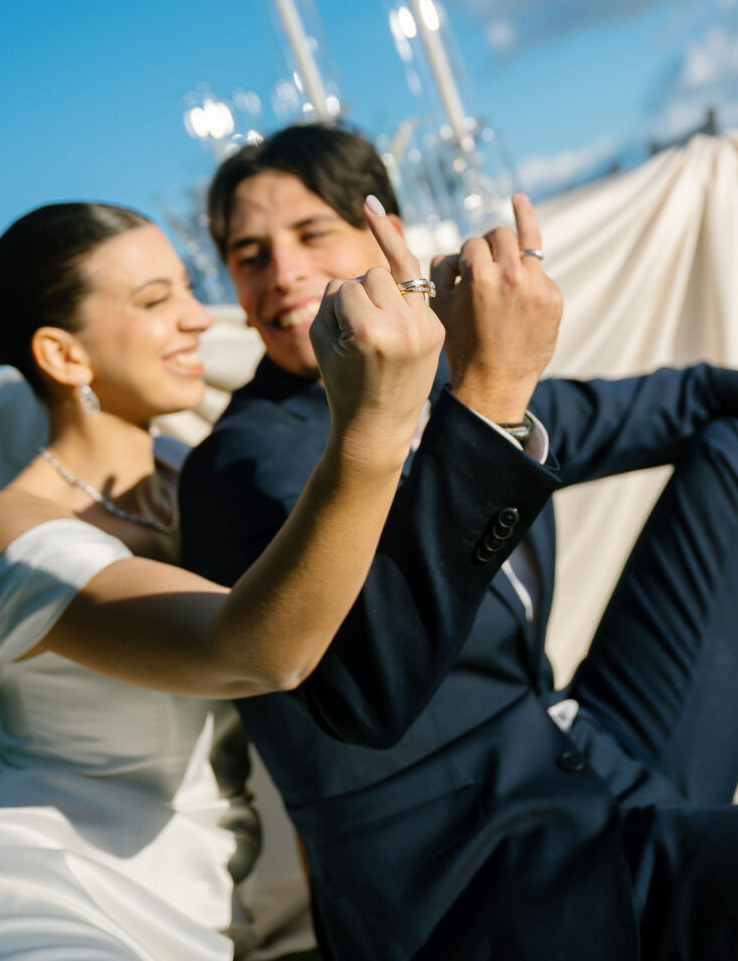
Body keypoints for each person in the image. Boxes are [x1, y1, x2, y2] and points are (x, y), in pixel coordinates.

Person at [180, 122, 738, 961]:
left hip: (585, 755)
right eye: (249, 256)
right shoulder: (241, 464)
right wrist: (491, 395)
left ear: (387, 234)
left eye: (310, 233)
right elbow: (362, 693)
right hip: (469, 883)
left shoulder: (457, 380)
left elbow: (682, 400)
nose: (282, 274)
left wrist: (483, 391)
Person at [0, 197, 450, 961]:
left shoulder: (191, 473)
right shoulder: (12, 532)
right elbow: (257, 652)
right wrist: (375, 424)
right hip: (55, 894)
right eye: (156, 301)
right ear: (63, 356)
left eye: (191, 290)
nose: (198, 319)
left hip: (218, 904)